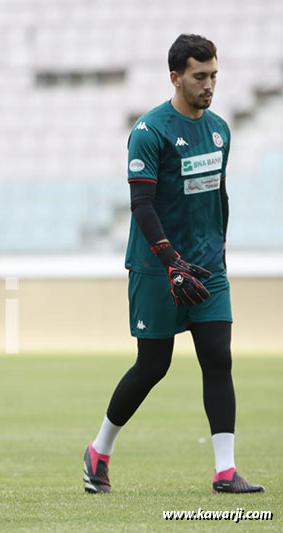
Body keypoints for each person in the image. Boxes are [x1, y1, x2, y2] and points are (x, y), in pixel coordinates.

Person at [83, 35, 264, 495]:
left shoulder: (221, 128)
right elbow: (141, 205)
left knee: (218, 358)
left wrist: (217, 253)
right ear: (176, 77)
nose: (209, 85)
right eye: (200, 76)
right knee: (153, 365)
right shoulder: (150, 131)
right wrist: (170, 261)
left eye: (214, 76)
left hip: (206, 268)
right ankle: (99, 450)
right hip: (157, 267)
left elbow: (218, 195)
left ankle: (225, 471)